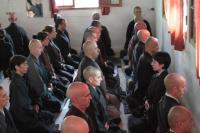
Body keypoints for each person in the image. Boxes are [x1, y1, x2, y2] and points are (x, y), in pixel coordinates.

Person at [9, 55, 53, 133]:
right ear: (17, 67)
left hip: (30, 110)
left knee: (49, 116)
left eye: (27, 64)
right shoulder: (16, 84)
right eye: (24, 64)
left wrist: (37, 104)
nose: (27, 66)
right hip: (24, 118)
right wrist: (34, 110)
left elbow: (33, 93)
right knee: (46, 127)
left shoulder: (23, 77)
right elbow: (22, 106)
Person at [27, 39, 61, 113]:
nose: (42, 49)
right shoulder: (31, 64)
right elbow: (38, 86)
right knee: (58, 105)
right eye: (40, 47)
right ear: (34, 49)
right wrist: (48, 91)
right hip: (40, 96)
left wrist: (50, 83)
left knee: (61, 94)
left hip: (46, 87)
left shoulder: (37, 58)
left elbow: (45, 73)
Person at [144, 51, 171, 133]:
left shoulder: (164, 80)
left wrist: (149, 105)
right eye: (152, 61)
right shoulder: (155, 75)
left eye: (154, 62)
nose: (151, 63)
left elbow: (158, 101)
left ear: (162, 65)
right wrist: (146, 100)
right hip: (150, 108)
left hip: (155, 114)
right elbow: (149, 92)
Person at [83, 66, 109, 132]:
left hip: (104, 119)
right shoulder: (89, 95)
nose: (101, 79)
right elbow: (95, 117)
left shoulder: (95, 87)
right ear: (91, 79)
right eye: (98, 77)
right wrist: (104, 128)